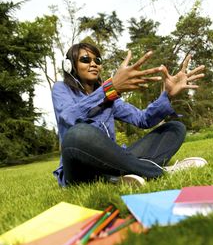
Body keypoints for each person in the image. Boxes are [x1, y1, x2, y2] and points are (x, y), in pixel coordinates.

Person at [52, 42, 205, 187]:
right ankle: (156, 171)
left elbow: (143, 119)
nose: (93, 64)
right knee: (78, 134)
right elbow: (69, 117)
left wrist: (167, 95)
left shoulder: (111, 97)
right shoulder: (61, 88)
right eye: (85, 59)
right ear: (70, 65)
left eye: (97, 60)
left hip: (110, 162)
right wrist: (109, 89)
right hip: (80, 170)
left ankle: (119, 176)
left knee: (174, 128)